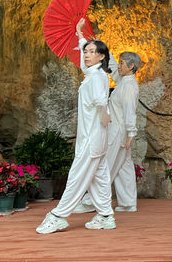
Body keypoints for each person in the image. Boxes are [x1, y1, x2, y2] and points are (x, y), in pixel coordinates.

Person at [36, 18, 115, 234]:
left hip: (92, 138)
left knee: (77, 176)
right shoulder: (92, 74)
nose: (87, 55)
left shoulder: (97, 77)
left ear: (101, 56)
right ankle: (106, 215)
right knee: (99, 177)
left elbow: (100, 100)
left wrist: (105, 115)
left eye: (91, 52)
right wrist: (80, 35)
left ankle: (58, 215)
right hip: (93, 137)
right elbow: (83, 63)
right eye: (86, 51)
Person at [75, 51, 141, 213]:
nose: (118, 66)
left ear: (131, 66)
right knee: (124, 167)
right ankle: (128, 203)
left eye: (122, 63)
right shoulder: (124, 82)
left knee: (105, 166)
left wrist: (131, 133)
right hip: (120, 131)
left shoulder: (129, 86)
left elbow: (129, 111)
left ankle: (91, 202)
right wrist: (104, 52)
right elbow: (112, 68)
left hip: (118, 132)